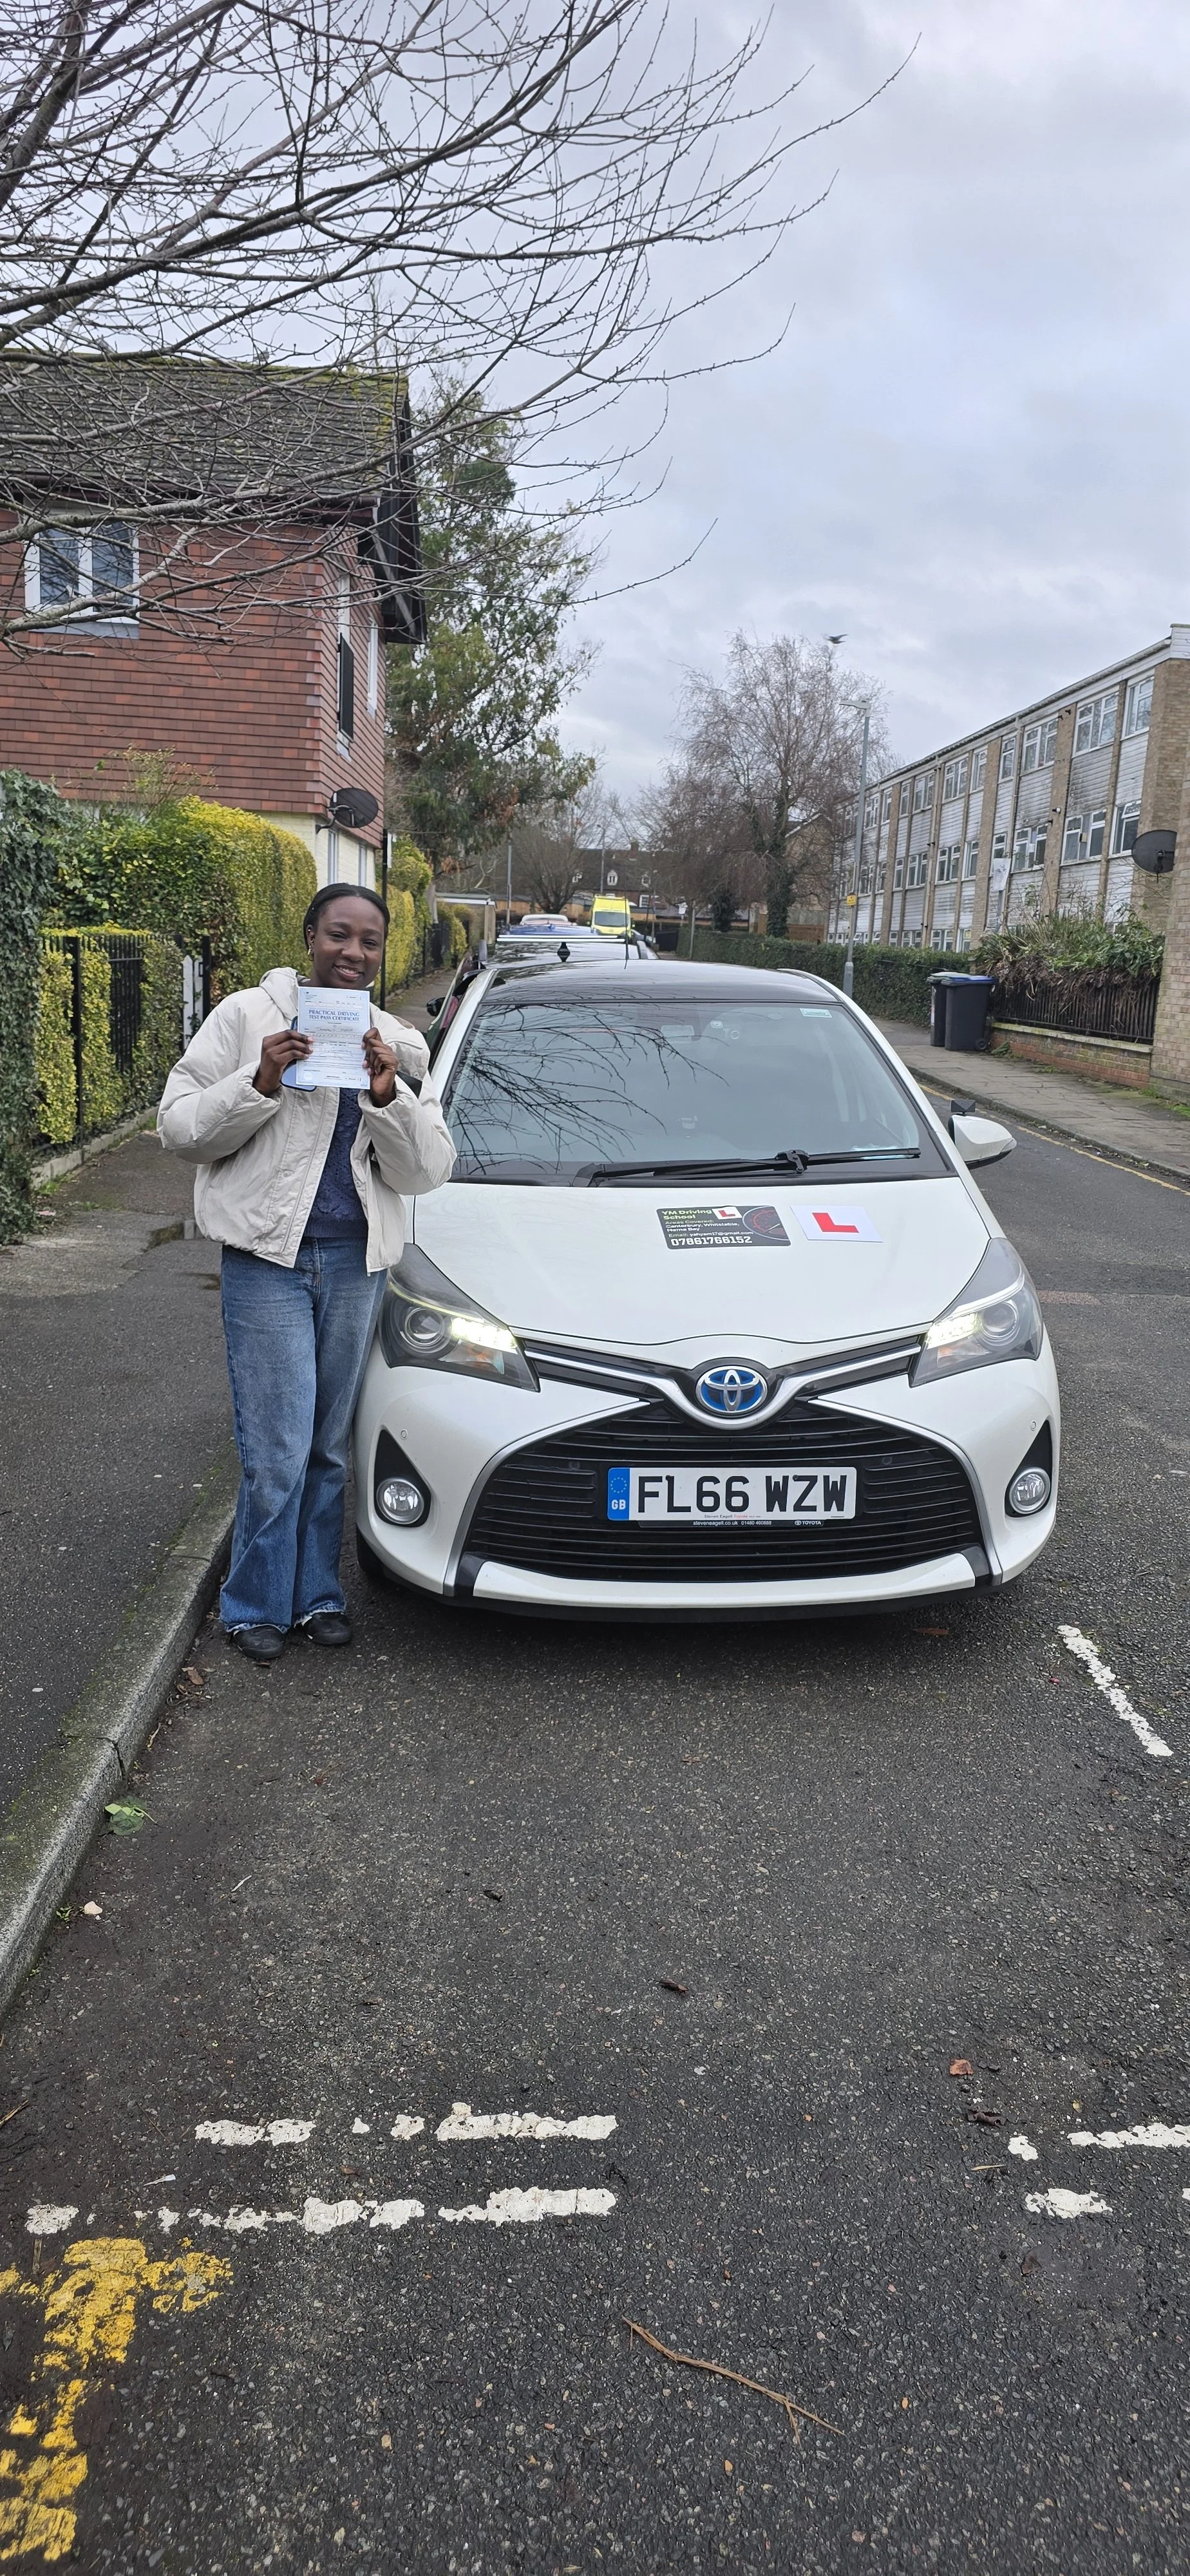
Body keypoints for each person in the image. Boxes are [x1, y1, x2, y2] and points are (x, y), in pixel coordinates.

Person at [158, 884, 455, 1662]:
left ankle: (317, 1591)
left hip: (356, 1265)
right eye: (338, 935)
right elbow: (178, 1128)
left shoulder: (394, 1039)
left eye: (367, 941)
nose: (352, 953)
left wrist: (387, 1094)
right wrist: (258, 1082)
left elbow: (428, 1171)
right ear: (310, 936)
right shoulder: (247, 1017)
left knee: (328, 1444)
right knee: (277, 1447)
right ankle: (254, 1599)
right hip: (269, 1262)